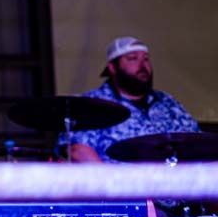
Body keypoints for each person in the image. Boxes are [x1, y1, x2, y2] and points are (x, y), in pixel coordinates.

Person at [63, 36, 199, 163]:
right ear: (112, 67)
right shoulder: (91, 103)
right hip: (117, 184)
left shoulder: (168, 103)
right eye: (133, 58)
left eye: (146, 59)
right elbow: (77, 150)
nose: (142, 65)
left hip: (172, 183)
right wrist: (114, 182)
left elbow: (199, 143)